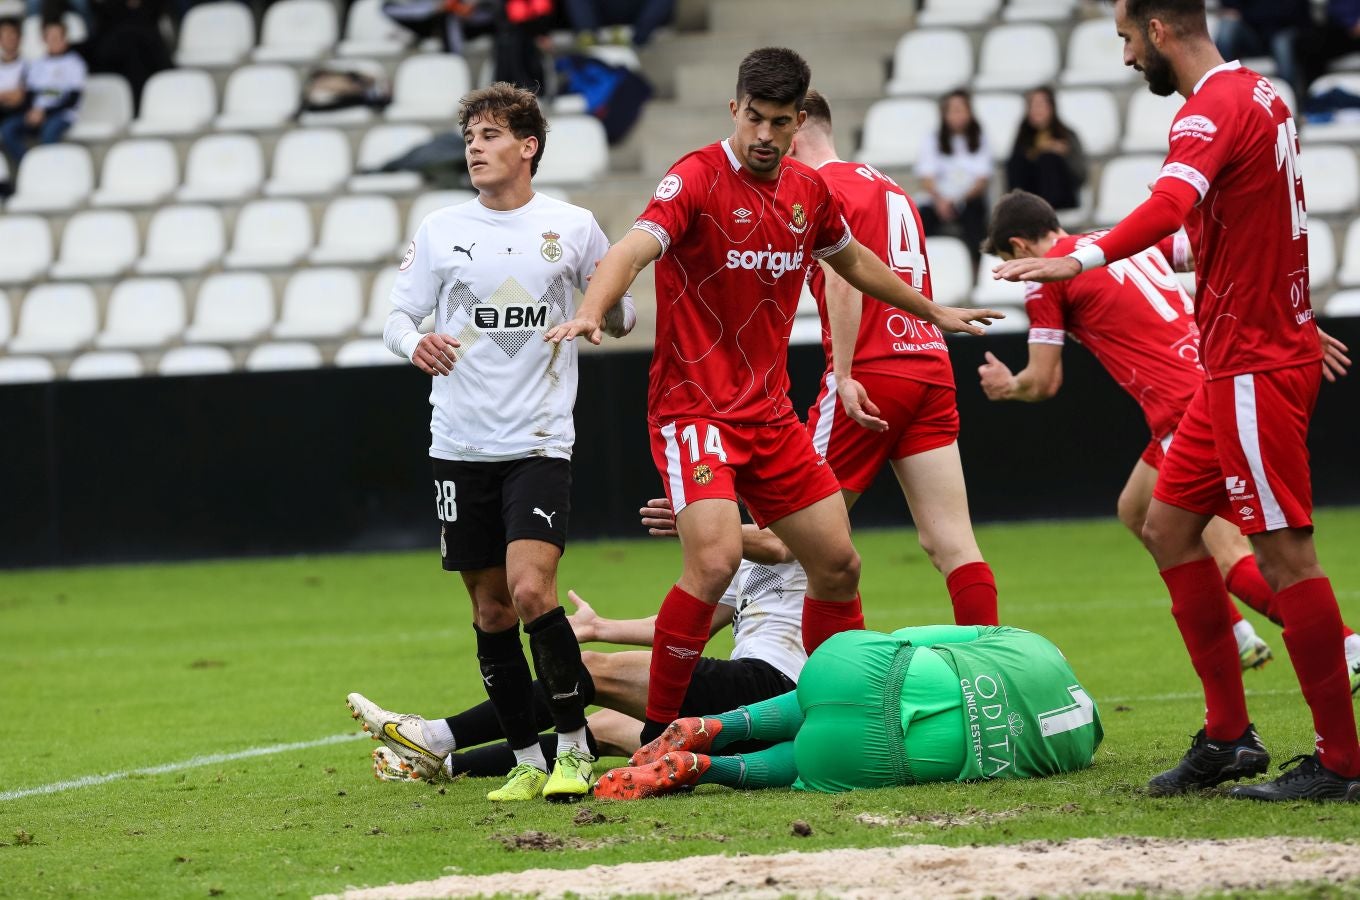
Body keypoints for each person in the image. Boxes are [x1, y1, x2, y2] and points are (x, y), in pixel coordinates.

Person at [544, 47, 1003, 749]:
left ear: (797, 124)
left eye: (778, 122)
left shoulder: (809, 194)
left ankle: (832, 717)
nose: (763, 133)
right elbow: (632, 248)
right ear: (735, 110)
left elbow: (854, 263)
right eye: (753, 117)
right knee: (716, 560)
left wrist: (930, 310)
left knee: (838, 563)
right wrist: (592, 309)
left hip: (769, 415)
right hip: (694, 410)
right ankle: (661, 737)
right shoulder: (694, 178)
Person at [994, 0, 1360, 802]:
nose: (1127, 57)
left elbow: (1166, 207)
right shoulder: (1265, 95)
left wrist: (1075, 259)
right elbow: (1235, 226)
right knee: (1165, 523)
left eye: (1126, 38)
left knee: (1282, 553)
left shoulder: (1210, 108)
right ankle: (1229, 737)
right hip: (1241, 359)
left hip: (1251, 367)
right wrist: (1293, 314)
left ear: (1159, 30)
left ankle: (1341, 761)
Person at [368, 82, 636, 804]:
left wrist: (595, 315)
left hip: (539, 439)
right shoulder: (440, 229)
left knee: (529, 590)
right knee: (489, 611)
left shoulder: (574, 227)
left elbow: (624, 312)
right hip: (458, 443)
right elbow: (397, 314)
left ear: (528, 147)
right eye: (469, 138)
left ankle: (576, 749)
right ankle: (525, 758)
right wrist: (412, 343)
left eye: (489, 136)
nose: (476, 149)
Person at [978, 189, 1360, 681]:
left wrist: (1008, 386)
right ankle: (1240, 635)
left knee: (1231, 554)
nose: (1017, 271)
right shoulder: (1119, 243)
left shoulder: (1047, 276)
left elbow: (1044, 380)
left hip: (1190, 411)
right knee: (1136, 511)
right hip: (1213, 385)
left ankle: (1346, 646)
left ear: (1020, 248)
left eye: (1010, 261)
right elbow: (1213, 250)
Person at [359, 515, 808, 782]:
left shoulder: (810, 525)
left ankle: (436, 735)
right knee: (606, 726)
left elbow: (782, 543)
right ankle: (448, 765)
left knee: (589, 672)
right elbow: (682, 628)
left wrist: (703, 526)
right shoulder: (743, 556)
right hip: (742, 702)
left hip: (776, 688)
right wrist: (599, 626)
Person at [786, 89, 999, 628]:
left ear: (797, 127)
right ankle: (995, 667)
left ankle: (837, 694)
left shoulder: (816, 188)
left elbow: (842, 279)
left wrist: (842, 375)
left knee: (801, 538)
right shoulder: (887, 184)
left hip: (872, 368)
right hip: (927, 361)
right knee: (952, 542)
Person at [593, 624, 1102, 798]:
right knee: (804, 762)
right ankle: (709, 769)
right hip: (894, 755)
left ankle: (719, 725)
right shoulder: (1076, 747)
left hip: (858, 669)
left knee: (816, 699)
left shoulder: (1026, 642)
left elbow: (907, 639)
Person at [915, 89, 992, 266]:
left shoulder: (981, 138)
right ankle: (925, 265)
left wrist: (958, 200)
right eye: (953, 110)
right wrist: (941, 201)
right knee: (921, 219)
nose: (957, 115)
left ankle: (977, 266)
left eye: (961, 109)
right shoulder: (932, 138)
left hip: (968, 199)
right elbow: (926, 177)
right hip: (938, 200)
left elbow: (982, 179)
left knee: (974, 216)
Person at [0, 20, 84, 163]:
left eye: (58, 37)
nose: (54, 41)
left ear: (65, 39)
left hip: (61, 114)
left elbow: (72, 99)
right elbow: (32, 94)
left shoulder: (75, 63)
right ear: (44, 39)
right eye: (51, 37)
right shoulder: (38, 64)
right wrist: (33, 111)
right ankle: (30, 165)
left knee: (49, 133)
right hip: (36, 113)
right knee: (8, 129)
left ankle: (48, 171)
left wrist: (44, 111)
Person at [1004, 86, 1086, 214]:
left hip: (1061, 200)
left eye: (1041, 104)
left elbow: (1081, 175)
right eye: (1033, 105)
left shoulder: (1066, 135)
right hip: (1030, 200)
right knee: (1017, 161)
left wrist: (1062, 155)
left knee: (1048, 159)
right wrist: (1035, 151)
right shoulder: (1022, 138)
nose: (1037, 110)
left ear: (1052, 107)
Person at [1213, 0, 1308, 99]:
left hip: (1282, 30)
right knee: (1227, 26)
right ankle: (1220, 95)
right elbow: (1230, 8)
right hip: (1252, 32)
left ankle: (1290, 101)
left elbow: (1296, 13)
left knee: (1281, 44)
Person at [1296, 1, 1360, 97]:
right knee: (1310, 45)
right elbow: (1334, 10)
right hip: (1342, 29)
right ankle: (1315, 97)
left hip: (1353, 29)